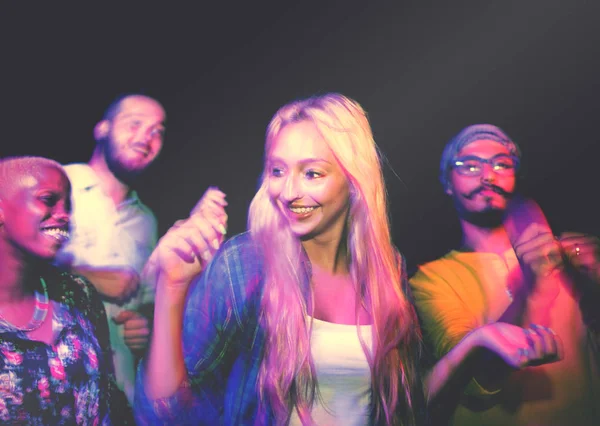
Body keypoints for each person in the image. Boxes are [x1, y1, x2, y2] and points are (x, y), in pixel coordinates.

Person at [134, 93, 427, 425]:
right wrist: (171, 287)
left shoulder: (388, 269)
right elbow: (166, 412)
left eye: (312, 173)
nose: (287, 192)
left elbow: (406, 403)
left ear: (354, 181)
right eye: (277, 170)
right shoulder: (245, 266)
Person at [409, 124, 600, 425]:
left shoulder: (566, 258)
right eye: (470, 165)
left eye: (501, 164)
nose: (488, 175)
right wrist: (529, 288)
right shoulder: (431, 279)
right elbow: (469, 380)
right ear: (448, 181)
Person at [55, 93, 165, 406]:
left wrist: (141, 330)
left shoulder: (146, 221)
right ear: (102, 129)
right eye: (135, 124)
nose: (147, 137)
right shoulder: (59, 184)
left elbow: (142, 307)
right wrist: (87, 277)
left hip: (117, 397)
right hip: (55, 394)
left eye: (158, 131)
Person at [0, 156, 125, 424]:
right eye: (48, 199)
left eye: (68, 205)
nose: (65, 215)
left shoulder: (78, 294)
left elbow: (110, 398)